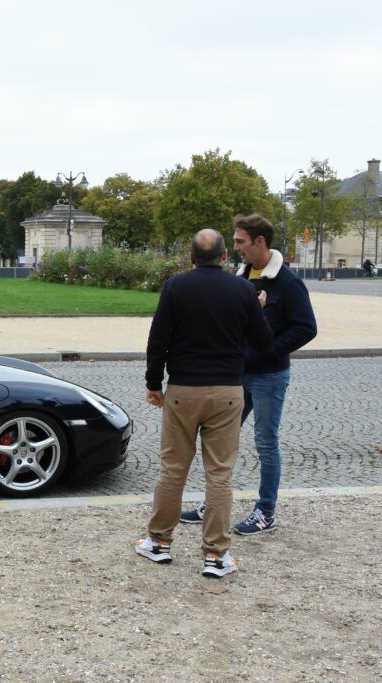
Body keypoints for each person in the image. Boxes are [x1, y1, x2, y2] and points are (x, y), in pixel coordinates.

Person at [136, 228, 274, 578]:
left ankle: (159, 542)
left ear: (192, 257)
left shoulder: (176, 287)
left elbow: (159, 339)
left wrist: (154, 383)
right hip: (227, 391)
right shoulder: (243, 290)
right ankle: (215, 555)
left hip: (184, 389)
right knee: (219, 474)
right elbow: (262, 342)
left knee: (172, 469)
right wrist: (257, 310)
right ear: (225, 256)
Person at [181, 214, 317, 535]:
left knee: (266, 444)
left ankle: (265, 512)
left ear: (259, 242)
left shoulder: (288, 282)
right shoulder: (241, 275)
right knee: (219, 440)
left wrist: (269, 349)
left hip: (269, 377)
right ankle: (213, 502)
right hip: (237, 375)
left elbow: (306, 328)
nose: (236, 247)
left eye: (241, 241)